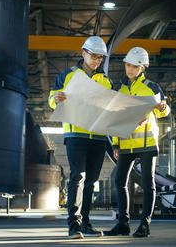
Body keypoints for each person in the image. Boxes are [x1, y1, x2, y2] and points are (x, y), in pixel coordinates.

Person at [48, 36, 111, 239]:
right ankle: (73, 225)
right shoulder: (67, 75)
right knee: (78, 178)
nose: (97, 60)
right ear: (83, 52)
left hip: (99, 136)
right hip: (76, 134)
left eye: (100, 58)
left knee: (91, 181)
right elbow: (52, 99)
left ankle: (85, 223)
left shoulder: (106, 81)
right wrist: (54, 99)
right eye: (94, 56)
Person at [104, 47, 170, 238]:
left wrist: (163, 107)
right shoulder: (121, 90)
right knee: (119, 181)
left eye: (134, 66)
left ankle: (144, 225)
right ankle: (123, 224)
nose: (130, 69)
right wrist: (115, 144)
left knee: (148, 183)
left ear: (142, 68)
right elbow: (116, 119)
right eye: (128, 65)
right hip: (125, 143)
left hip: (146, 142)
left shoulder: (152, 87)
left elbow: (163, 111)